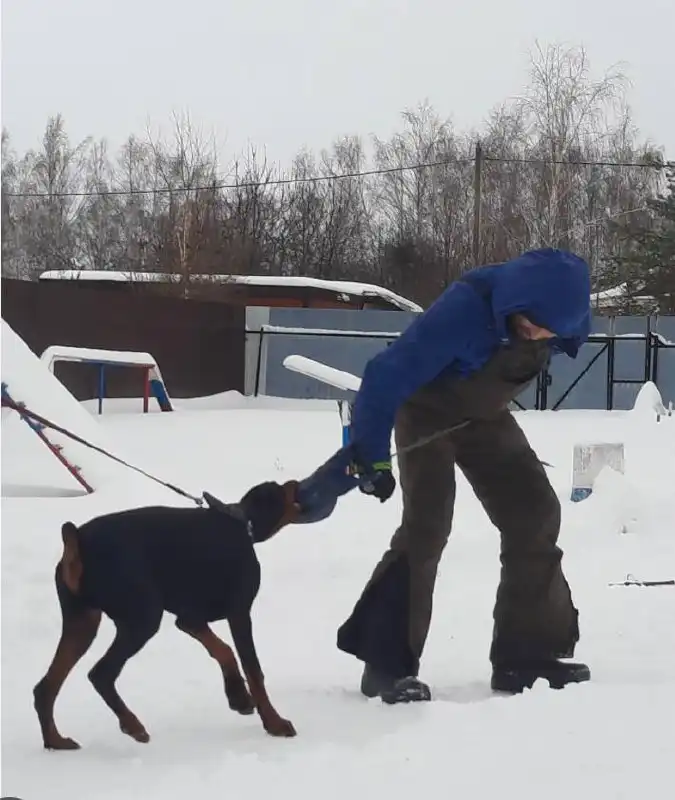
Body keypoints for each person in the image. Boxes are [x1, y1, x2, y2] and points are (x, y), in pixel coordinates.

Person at [296, 247, 593, 703]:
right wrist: (372, 456)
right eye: (529, 322)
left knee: (534, 512)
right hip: (425, 410)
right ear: (516, 301)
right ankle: (387, 664)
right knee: (428, 525)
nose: (535, 333)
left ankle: (526, 656)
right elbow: (384, 376)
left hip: (485, 417)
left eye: (546, 329)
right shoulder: (465, 309)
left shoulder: (565, 316)